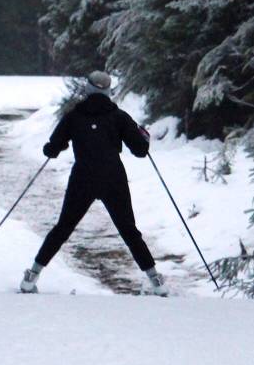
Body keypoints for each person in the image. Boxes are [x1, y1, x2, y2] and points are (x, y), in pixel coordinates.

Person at [19, 71, 168, 296]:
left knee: (63, 228)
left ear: (87, 89)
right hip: (113, 177)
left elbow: (52, 148)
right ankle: (156, 281)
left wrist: (58, 147)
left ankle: (31, 276)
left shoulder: (74, 115)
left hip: (82, 177)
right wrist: (144, 137)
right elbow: (140, 150)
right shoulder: (119, 116)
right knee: (128, 230)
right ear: (108, 91)